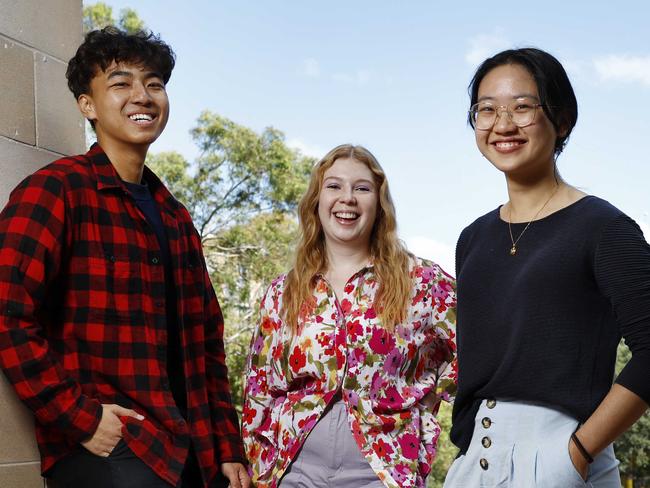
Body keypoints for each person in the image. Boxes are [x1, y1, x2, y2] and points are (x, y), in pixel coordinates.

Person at [0, 27, 250, 488]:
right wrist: (80, 417)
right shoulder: (56, 191)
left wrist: (226, 448)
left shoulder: (176, 217)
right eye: (121, 84)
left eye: (154, 84)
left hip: (191, 452)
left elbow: (205, 342)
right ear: (87, 105)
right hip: (110, 452)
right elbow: (7, 314)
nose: (143, 96)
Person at [444, 47, 650, 487]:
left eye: (522, 107)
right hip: (472, 464)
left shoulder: (604, 228)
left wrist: (577, 452)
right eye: (487, 110)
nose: (503, 124)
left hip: (559, 459)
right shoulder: (472, 239)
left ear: (562, 120)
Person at [241, 144, 457, 487]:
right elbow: (259, 387)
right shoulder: (284, 291)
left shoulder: (421, 282)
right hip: (294, 471)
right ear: (317, 200)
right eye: (334, 186)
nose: (348, 198)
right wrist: (257, 466)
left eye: (362, 188)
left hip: (381, 471)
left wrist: (427, 395)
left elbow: (480, 344)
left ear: (379, 204)